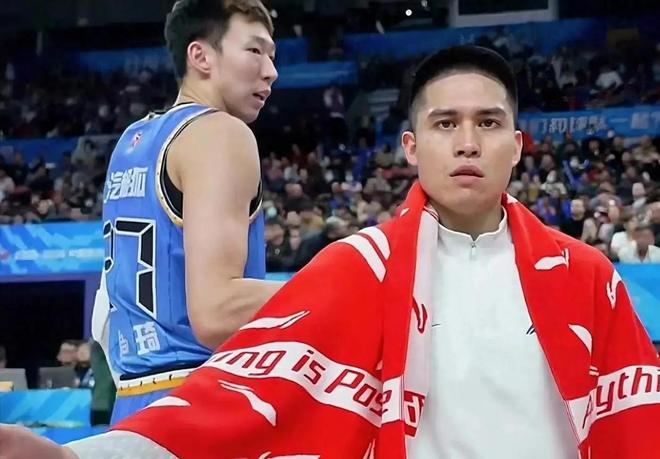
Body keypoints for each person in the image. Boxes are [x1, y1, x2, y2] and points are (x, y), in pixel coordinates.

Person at [3, 45, 659, 459]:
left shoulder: (587, 276)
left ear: (517, 145)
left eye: (488, 123)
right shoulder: (358, 267)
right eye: (445, 124)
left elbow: (639, 420)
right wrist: (79, 457)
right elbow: (233, 402)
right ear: (411, 147)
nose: (467, 142)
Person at [92, 0, 282, 424]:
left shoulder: (134, 140)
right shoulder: (219, 132)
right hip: (200, 403)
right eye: (254, 51)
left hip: (134, 403)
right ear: (201, 56)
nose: (271, 71)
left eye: (272, 56)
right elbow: (217, 310)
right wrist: (339, 286)